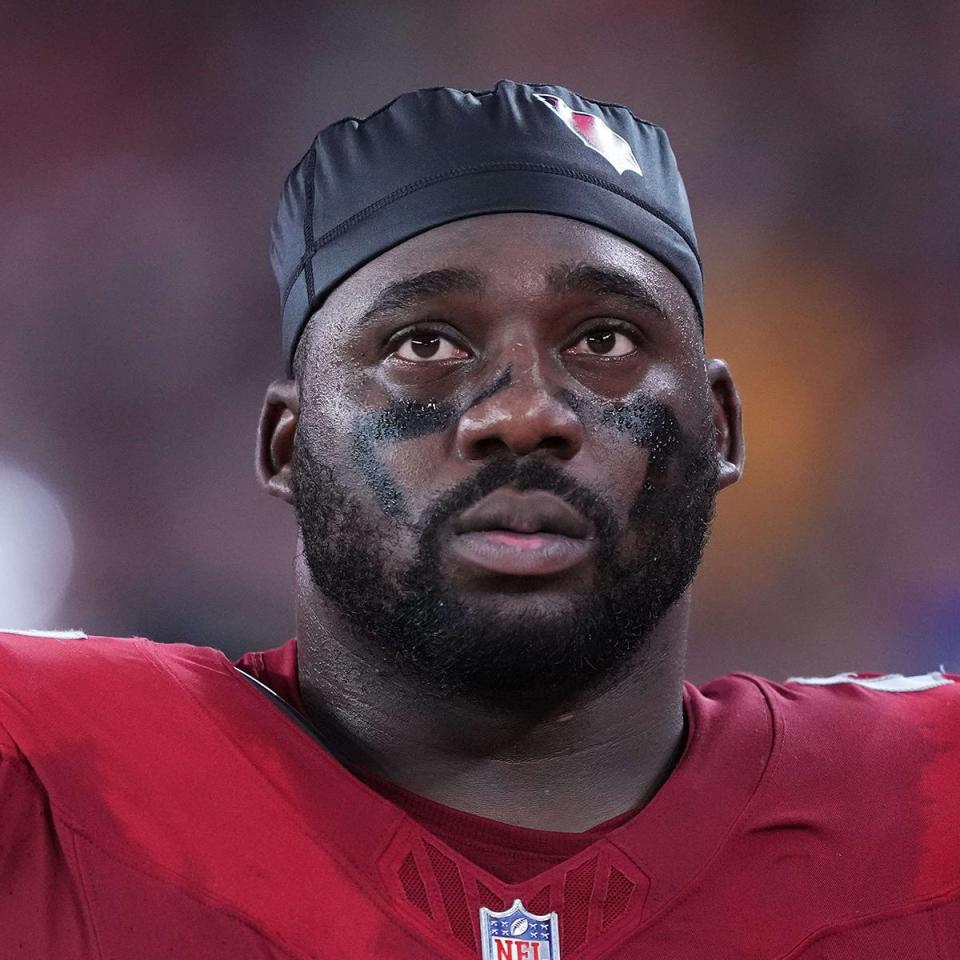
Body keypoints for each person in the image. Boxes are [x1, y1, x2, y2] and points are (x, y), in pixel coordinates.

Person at [1, 80, 957, 959]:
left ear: (720, 428)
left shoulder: (929, 799)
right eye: (425, 343)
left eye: (604, 339)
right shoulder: (45, 771)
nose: (523, 411)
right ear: (286, 446)